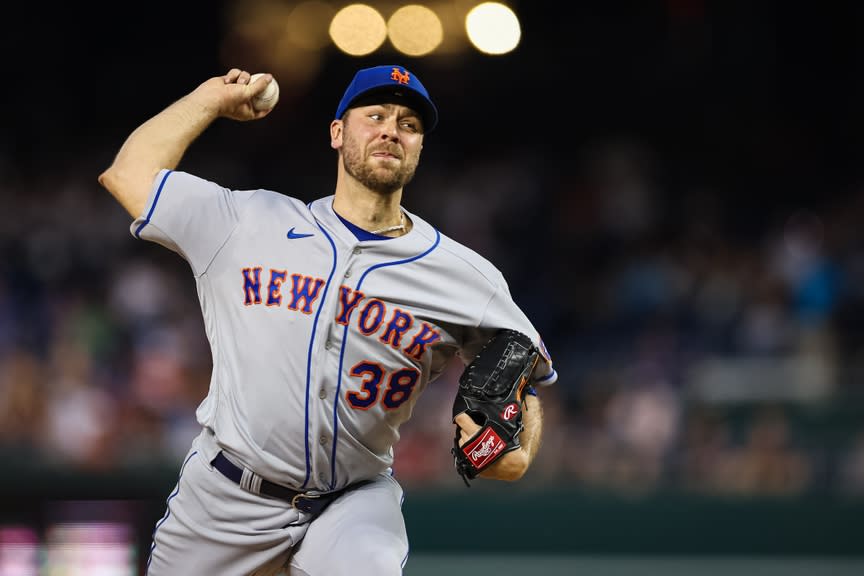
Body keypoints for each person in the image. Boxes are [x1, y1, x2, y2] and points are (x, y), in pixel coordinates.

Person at [98, 64, 558, 576]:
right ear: (337, 133)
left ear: (420, 147)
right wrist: (208, 100)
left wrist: (519, 454)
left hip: (353, 503)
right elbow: (128, 175)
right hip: (226, 495)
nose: (391, 129)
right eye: (376, 115)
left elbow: (525, 369)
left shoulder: (466, 276)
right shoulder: (248, 222)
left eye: (409, 124)